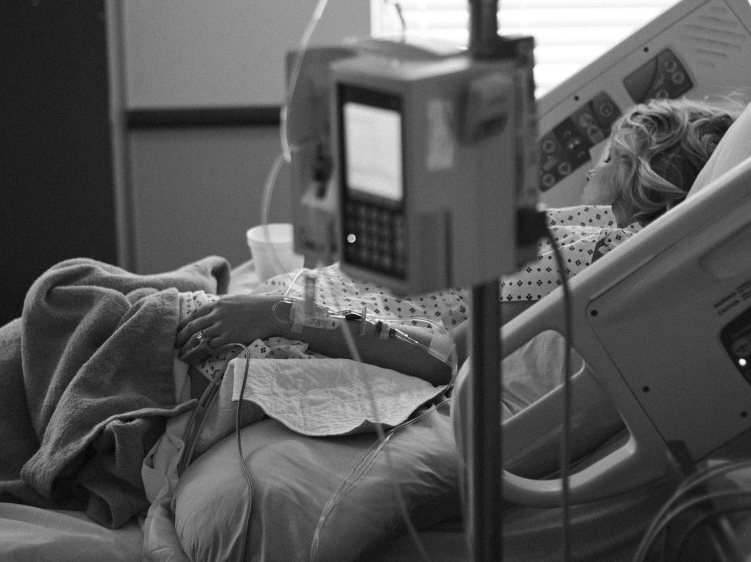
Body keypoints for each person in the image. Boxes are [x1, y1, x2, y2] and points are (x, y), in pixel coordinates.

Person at [175, 97, 742, 382]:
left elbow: (446, 354)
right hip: (312, 296)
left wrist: (283, 315)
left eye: (607, 159)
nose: (590, 171)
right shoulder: (578, 232)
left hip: (307, 329)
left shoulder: (599, 255)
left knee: (103, 305)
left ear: (637, 179)